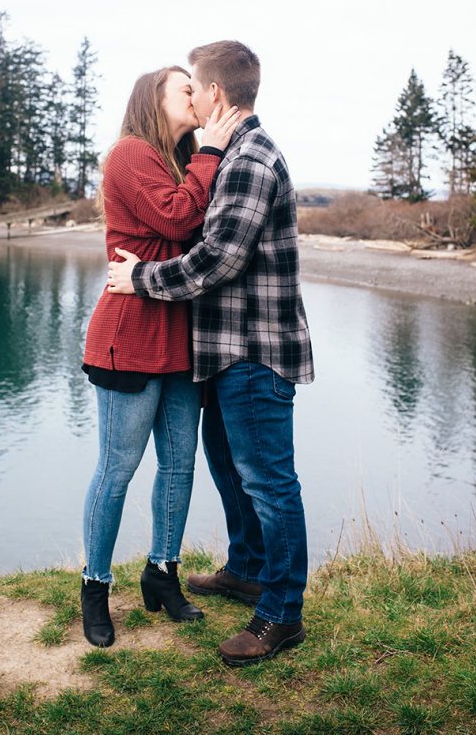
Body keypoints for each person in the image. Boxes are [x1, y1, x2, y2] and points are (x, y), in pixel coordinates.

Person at [107, 41, 314, 666]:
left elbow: (218, 258)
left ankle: (281, 612)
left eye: (194, 88)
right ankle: (247, 569)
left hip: (253, 351)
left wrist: (140, 278)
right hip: (223, 352)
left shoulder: (251, 157)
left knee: (270, 484)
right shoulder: (222, 154)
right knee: (230, 469)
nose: (191, 98)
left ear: (216, 95)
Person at [80, 65, 240, 647]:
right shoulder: (129, 154)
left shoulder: (184, 161)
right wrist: (213, 153)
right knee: (117, 470)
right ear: (156, 98)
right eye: (186, 89)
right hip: (129, 337)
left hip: (180, 341)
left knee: (178, 467)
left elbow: (201, 235)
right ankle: (95, 586)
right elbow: (176, 215)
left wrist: (206, 159)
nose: (197, 96)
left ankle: (162, 573)